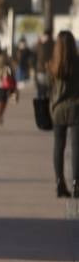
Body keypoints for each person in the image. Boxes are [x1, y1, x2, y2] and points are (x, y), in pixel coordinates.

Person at [48, 31, 79, 198]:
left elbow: (49, 89)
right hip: (76, 107)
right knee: (76, 147)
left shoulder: (53, 64)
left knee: (58, 147)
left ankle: (60, 183)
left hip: (57, 109)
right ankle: (76, 183)